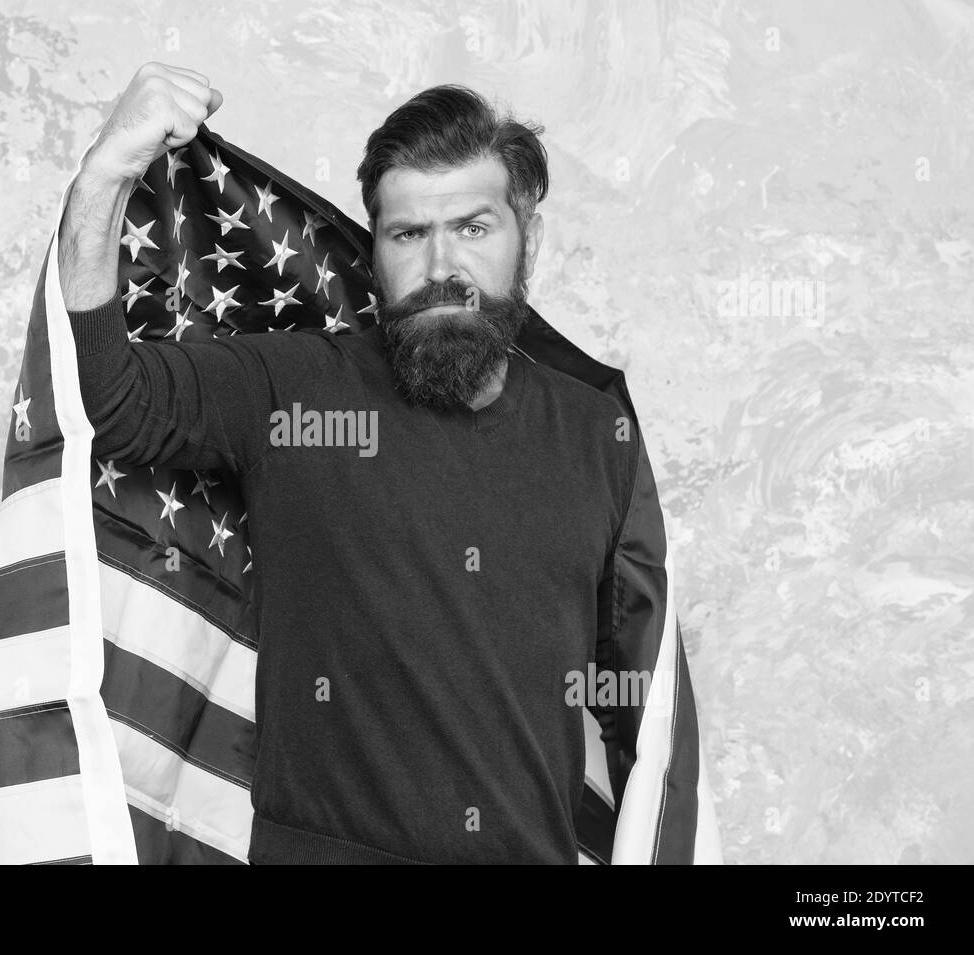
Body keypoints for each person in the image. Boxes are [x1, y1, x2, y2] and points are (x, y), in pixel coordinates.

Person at [56, 62, 701, 864]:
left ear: (525, 235)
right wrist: (109, 170)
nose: (440, 268)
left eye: (472, 227)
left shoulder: (598, 433)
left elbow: (633, 698)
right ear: (376, 247)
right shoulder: (290, 391)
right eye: (407, 234)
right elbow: (107, 395)